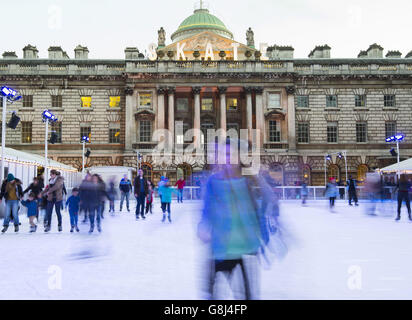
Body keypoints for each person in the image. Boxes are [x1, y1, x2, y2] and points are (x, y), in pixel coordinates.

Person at [198, 138, 280, 300]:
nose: (227, 158)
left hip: (247, 250)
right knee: (212, 296)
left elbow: (263, 209)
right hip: (221, 249)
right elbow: (207, 211)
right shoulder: (213, 182)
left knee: (247, 296)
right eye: (224, 154)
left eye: (231, 154)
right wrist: (202, 227)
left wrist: (265, 237)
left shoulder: (250, 181)